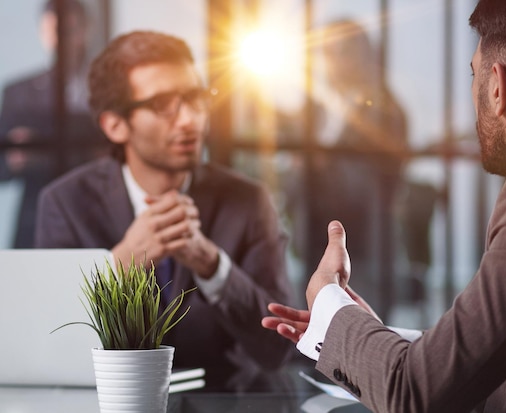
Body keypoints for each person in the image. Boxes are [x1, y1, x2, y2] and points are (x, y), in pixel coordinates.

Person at [263, 0, 506, 411]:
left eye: (472, 75)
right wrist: (358, 329)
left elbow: (416, 395)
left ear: (496, 85)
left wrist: (328, 299)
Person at [34, 30, 294, 392]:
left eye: (194, 98)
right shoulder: (65, 203)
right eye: (163, 105)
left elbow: (279, 349)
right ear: (115, 125)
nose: (189, 119)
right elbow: (47, 347)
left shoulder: (248, 200)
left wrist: (213, 266)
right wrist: (121, 264)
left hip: (224, 402)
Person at [282, 19, 409, 315]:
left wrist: (318, 166)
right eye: (327, 52)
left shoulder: (385, 111)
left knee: (364, 339)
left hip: (364, 251)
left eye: (343, 51)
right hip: (314, 244)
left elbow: (379, 182)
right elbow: (291, 176)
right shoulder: (314, 110)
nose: (333, 61)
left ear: (364, 54)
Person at [0, 0, 107, 248]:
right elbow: (2, 167)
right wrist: (16, 158)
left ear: (85, 30)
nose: (58, 40)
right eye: (51, 32)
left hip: (94, 216)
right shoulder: (19, 92)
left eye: (67, 31)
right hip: (35, 220)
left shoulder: (104, 89)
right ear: (42, 33)